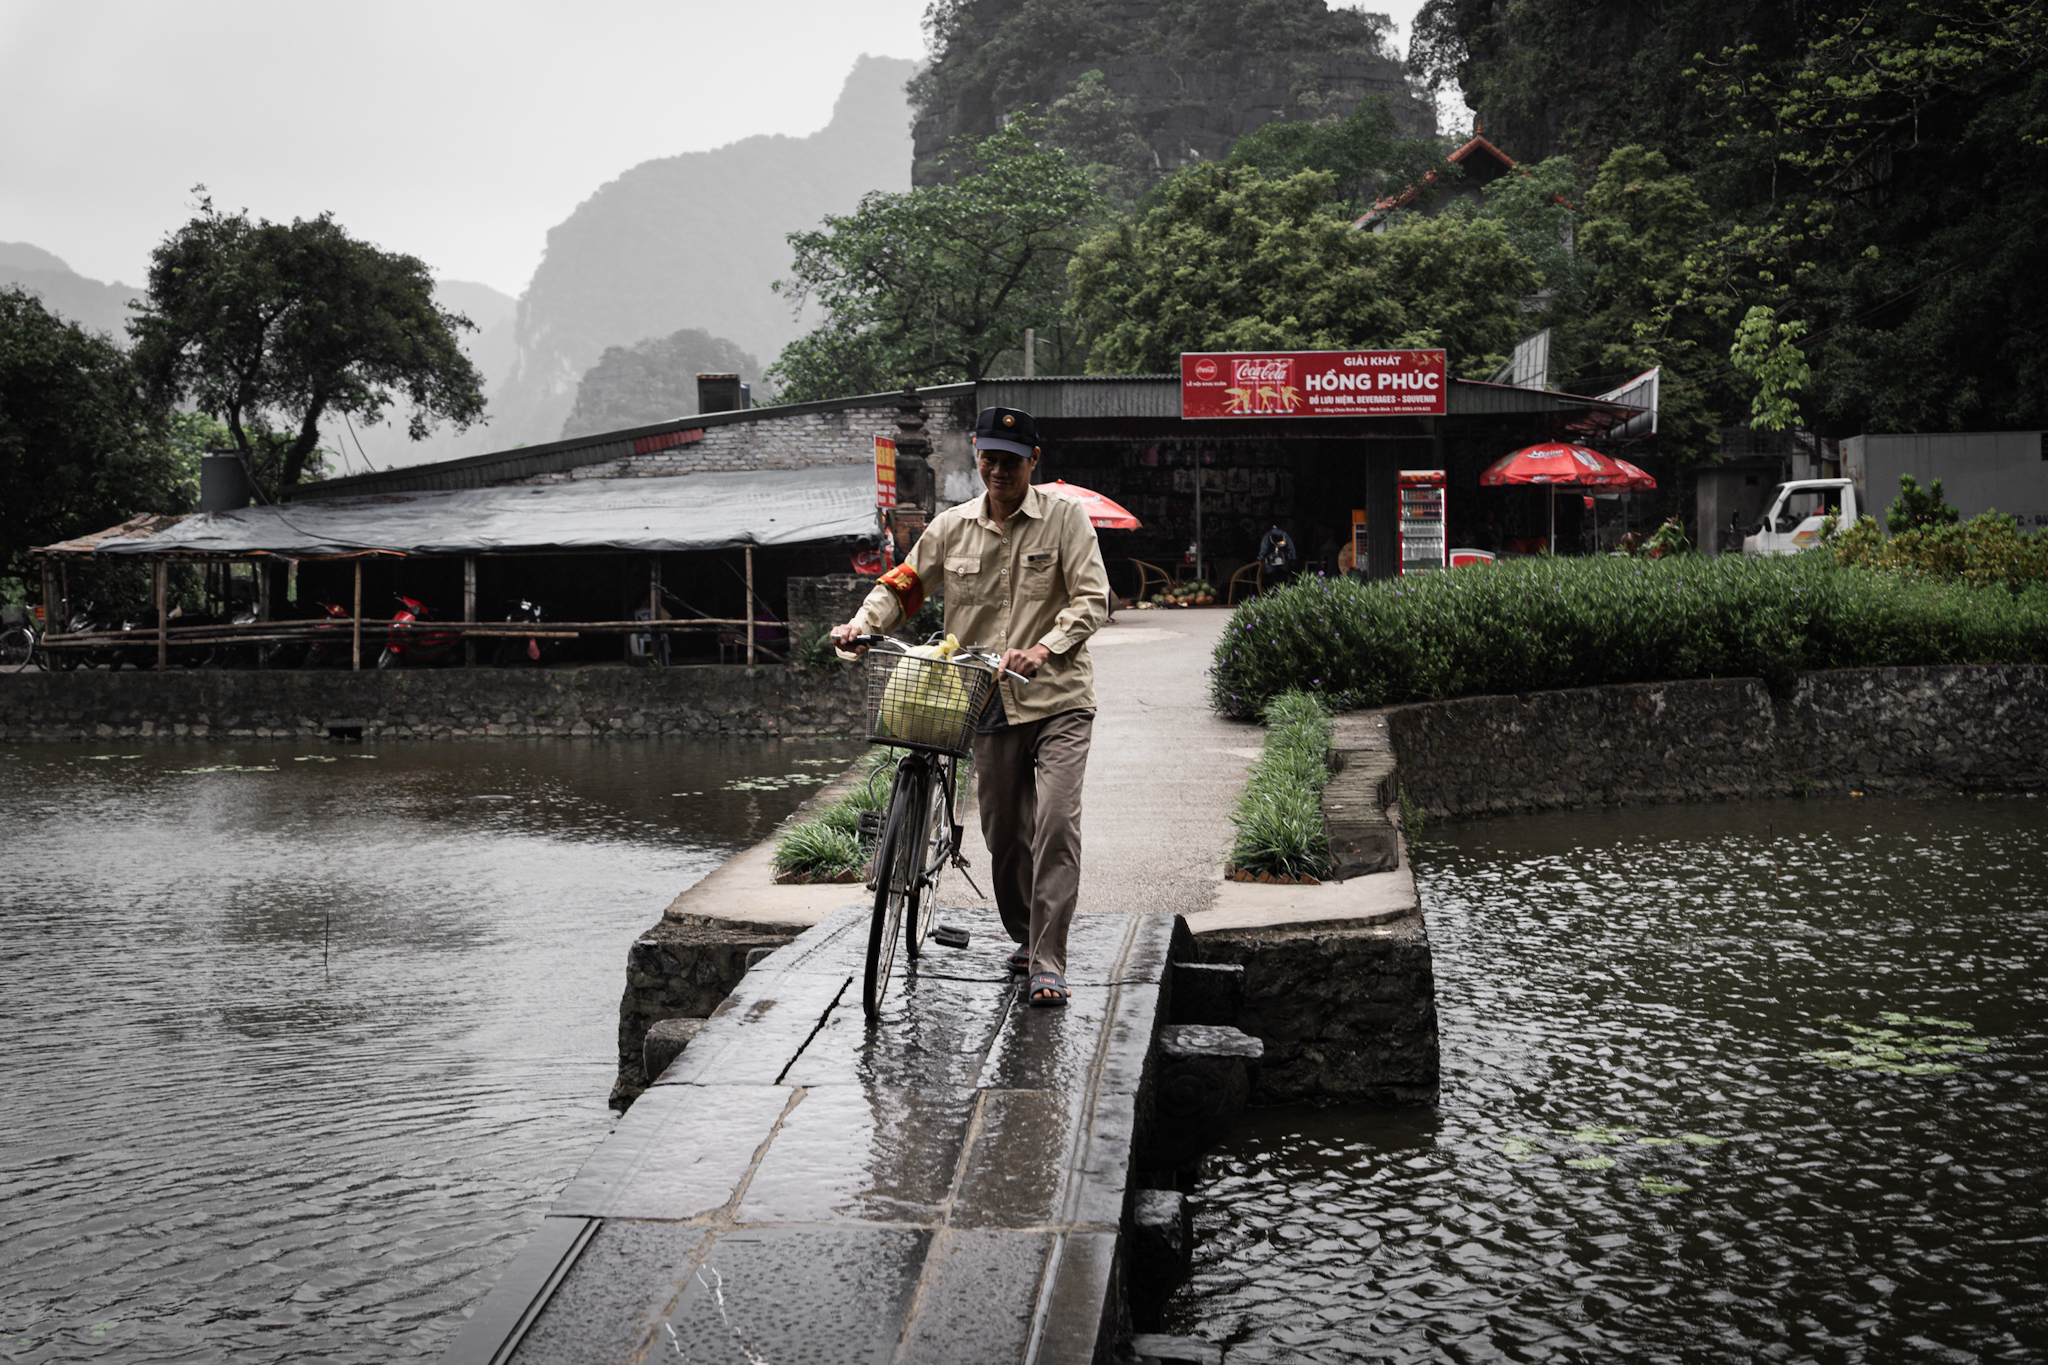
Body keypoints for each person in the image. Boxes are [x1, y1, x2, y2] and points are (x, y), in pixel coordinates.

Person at [832, 406, 1110, 1008]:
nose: (998, 468)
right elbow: (904, 584)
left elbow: (1093, 599)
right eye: (988, 456)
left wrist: (1044, 647)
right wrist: (861, 623)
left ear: (1033, 461)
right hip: (985, 699)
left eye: (1011, 458)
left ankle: (1047, 961)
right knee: (1003, 835)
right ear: (977, 457)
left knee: (1056, 823)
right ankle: (1025, 936)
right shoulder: (952, 527)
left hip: (1058, 698)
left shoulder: (1065, 521)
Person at [1257, 522, 1297, 587]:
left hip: (1270, 563)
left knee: (1272, 581)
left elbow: (1264, 549)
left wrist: (1260, 559)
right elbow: (1291, 548)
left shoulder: (1267, 536)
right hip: (1284, 562)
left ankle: (1273, 595)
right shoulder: (1285, 535)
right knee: (1283, 580)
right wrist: (1293, 559)